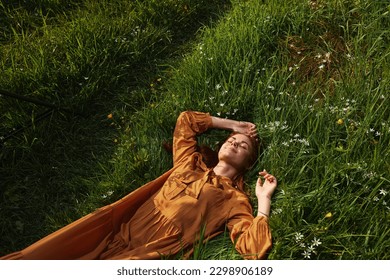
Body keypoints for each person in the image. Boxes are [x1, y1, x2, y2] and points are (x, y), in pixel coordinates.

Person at [1, 111, 277, 260]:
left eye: (242, 145)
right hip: (113, 233)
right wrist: (235, 125)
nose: (234, 142)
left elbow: (251, 248)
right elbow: (187, 121)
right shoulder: (189, 164)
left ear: (248, 163)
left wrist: (263, 202)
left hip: (146, 254)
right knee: (40, 258)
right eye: (231, 139)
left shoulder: (234, 198)